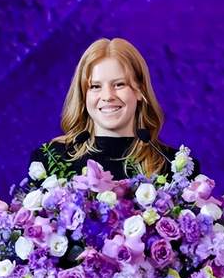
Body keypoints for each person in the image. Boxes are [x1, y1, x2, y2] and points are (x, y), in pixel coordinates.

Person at [29, 37, 199, 180]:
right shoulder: (49, 160)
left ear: (139, 91)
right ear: (83, 95)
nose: (107, 96)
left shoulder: (176, 168)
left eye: (119, 84)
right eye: (95, 86)